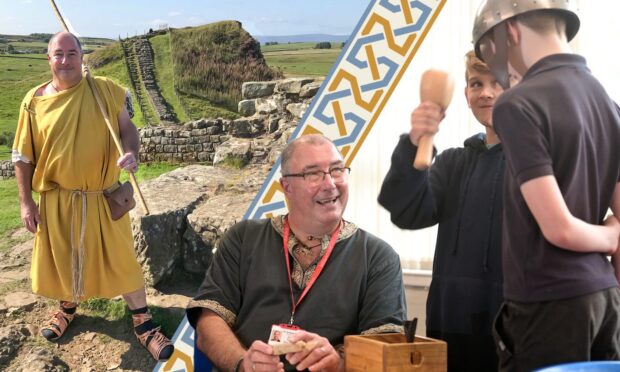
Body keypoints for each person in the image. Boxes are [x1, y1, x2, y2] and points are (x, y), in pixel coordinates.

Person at [472, 1, 620, 370]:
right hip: (604, 298)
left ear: (510, 32)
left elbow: (559, 229)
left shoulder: (516, 104)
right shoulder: (607, 103)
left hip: (547, 303)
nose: (496, 68)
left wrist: (611, 238)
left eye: (490, 52)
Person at [12, 31, 173, 361]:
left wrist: (131, 153)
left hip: (103, 196)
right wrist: (26, 201)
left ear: (82, 57)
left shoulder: (103, 91)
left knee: (123, 260)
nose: (65, 60)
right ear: (49, 59)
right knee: (63, 259)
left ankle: (144, 324)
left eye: (72, 53)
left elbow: (127, 128)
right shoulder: (34, 101)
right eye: (59, 54)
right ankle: (67, 308)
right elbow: (22, 156)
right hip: (57, 200)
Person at [187, 134, 406, 372]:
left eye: (337, 170)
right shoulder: (243, 238)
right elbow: (209, 320)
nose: (330, 184)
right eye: (313, 174)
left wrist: (340, 363)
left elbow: (387, 349)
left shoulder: (378, 257)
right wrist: (243, 363)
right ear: (286, 186)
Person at [378, 51, 508, 371]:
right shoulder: (453, 163)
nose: (486, 92)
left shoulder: (537, 161)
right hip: (451, 322)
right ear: (465, 95)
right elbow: (408, 212)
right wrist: (415, 140)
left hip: (514, 325)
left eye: (499, 83)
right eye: (476, 84)